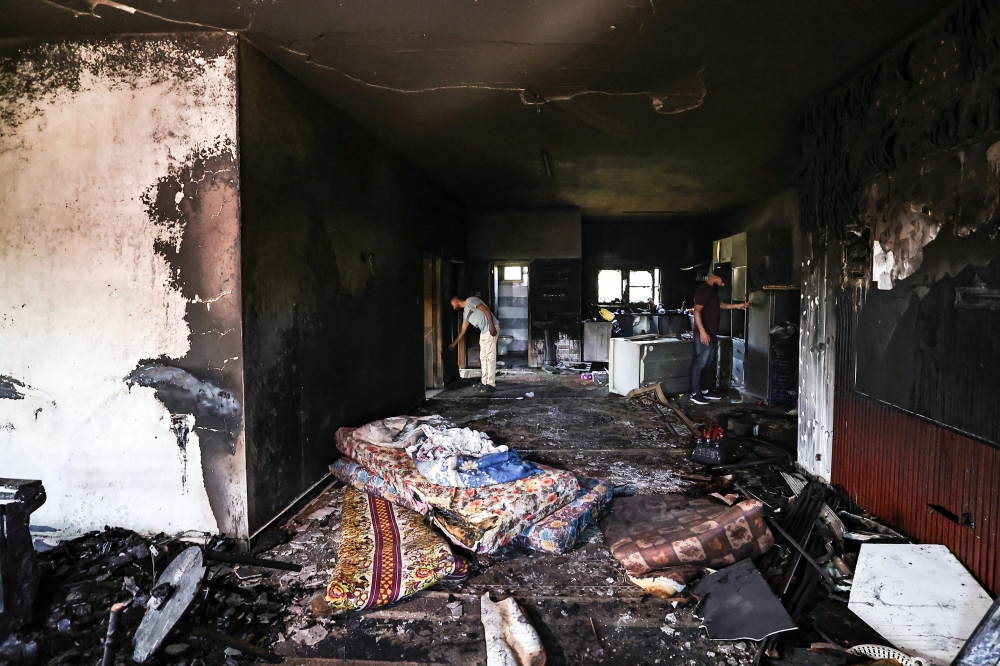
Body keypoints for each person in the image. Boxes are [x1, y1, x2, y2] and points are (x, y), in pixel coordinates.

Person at [689, 273, 747, 405]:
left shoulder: (711, 291)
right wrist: (702, 332)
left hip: (711, 333)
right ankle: (695, 394)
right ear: (715, 277)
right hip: (704, 333)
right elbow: (697, 311)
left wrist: (737, 306)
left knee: (708, 363)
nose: (723, 285)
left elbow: (719, 305)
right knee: (700, 363)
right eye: (722, 282)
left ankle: (705, 390)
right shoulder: (704, 290)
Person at [449, 296, 500, 390]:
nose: (453, 308)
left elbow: (486, 309)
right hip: (483, 332)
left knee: (490, 357)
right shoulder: (465, 313)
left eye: (453, 304)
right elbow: (463, 331)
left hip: (490, 329)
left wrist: (491, 326)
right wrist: (454, 344)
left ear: (456, 301)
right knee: (483, 357)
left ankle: (491, 383)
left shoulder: (470, 301)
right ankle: (484, 381)